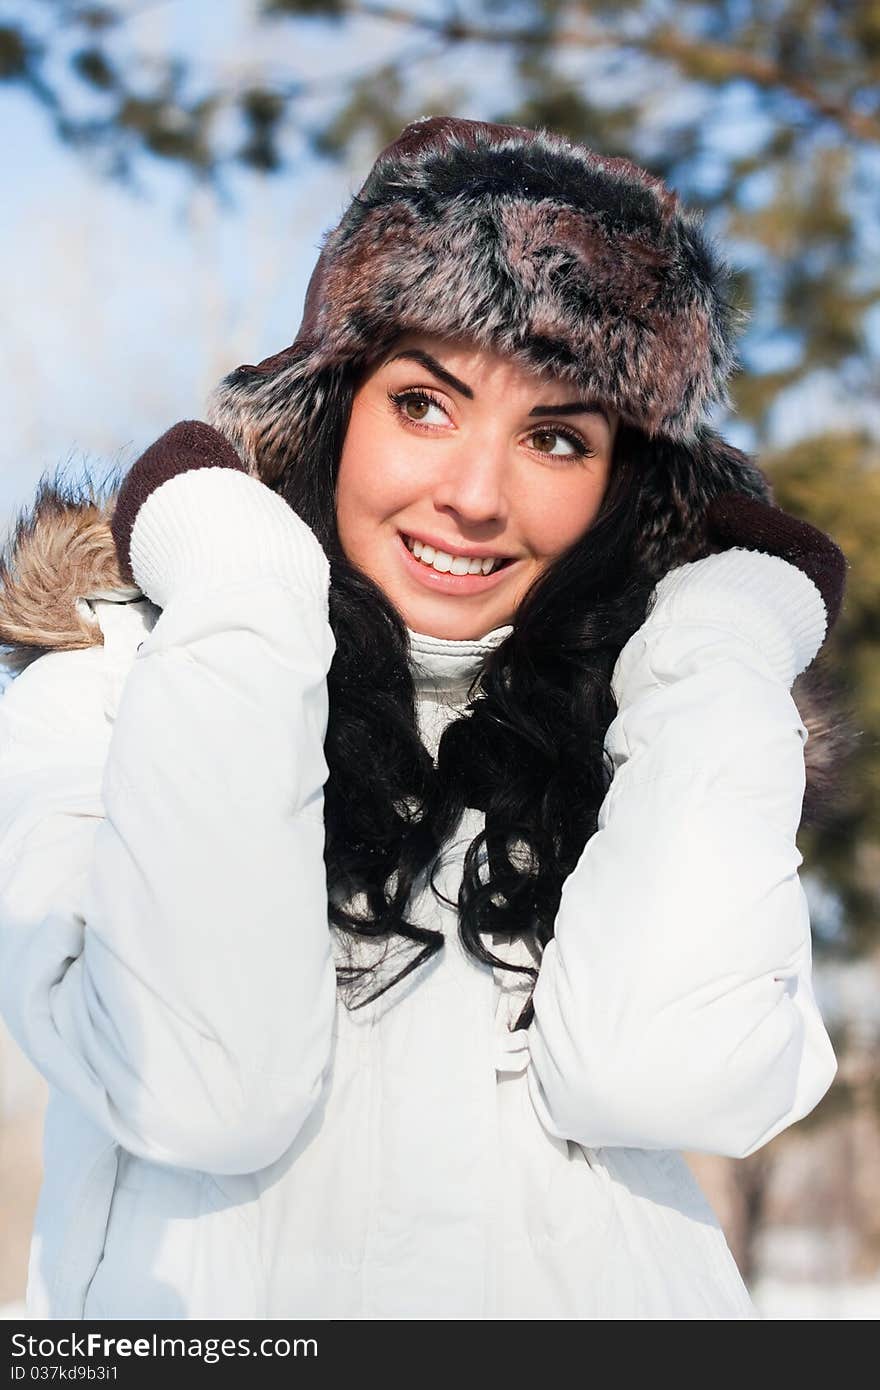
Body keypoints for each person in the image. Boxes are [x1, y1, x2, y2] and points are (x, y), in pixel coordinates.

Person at [0, 115, 848, 1321]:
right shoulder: (120, 681)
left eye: (556, 436)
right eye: (423, 404)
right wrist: (244, 592)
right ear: (332, 405)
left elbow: (662, 1076)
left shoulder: (665, 731)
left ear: (623, 486)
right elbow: (201, 1083)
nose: (473, 496)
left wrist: (717, 651)